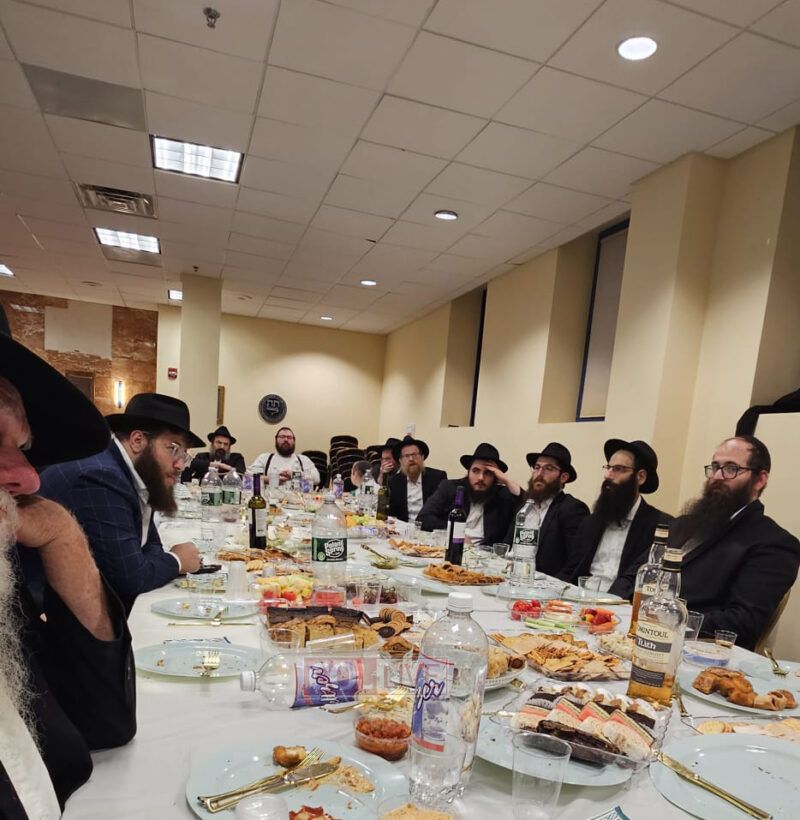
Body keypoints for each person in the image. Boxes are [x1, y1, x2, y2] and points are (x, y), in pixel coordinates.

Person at [0, 305, 136, 818]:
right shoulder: (100, 476)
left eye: (22, 447)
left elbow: (102, 723)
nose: (29, 478)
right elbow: (135, 571)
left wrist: (59, 532)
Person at [39, 393, 203, 612]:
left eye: (184, 454)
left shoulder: (134, 473)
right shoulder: (102, 476)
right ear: (137, 441)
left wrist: (150, 562)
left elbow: (149, 543)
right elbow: (131, 579)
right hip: (42, 612)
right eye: (173, 448)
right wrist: (177, 561)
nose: (180, 465)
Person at [670, 436, 799, 650]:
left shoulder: (775, 543)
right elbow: (638, 572)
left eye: (731, 469)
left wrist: (668, 618)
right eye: (714, 467)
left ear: (760, 480)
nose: (717, 476)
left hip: (698, 650)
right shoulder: (684, 523)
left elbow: (742, 622)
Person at [559, 439, 670, 598]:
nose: (608, 475)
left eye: (618, 469)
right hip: (579, 599)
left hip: (622, 605)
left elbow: (642, 582)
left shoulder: (659, 526)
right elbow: (571, 570)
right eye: (608, 468)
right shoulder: (591, 522)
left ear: (640, 477)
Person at [503, 443, 589, 576]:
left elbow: (575, 564)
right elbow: (507, 545)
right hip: (511, 575)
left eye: (548, 468)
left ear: (563, 477)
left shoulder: (572, 509)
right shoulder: (524, 507)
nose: (539, 474)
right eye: (537, 467)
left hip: (544, 583)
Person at [418, 443, 520, 546]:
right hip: (450, 546)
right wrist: (456, 532)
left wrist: (506, 480)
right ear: (468, 472)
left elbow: (525, 506)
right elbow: (423, 518)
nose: (480, 478)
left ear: (496, 477)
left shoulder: (504, 496)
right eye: (476, 471)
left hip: (484, 553)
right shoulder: (450, 487)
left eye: (488, 473)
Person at [387, 435, 447, 523]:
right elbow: (392, 513)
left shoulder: (437, 477)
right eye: (407, 456)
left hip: (429, 528)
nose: (411, 459)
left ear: (422, 457)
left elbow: (444, 510)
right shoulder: (394, 481)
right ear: (400, 461)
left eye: (414, 455)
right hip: (403, 528)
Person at [248, 427, 320, 487]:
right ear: (276, 439)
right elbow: (249, 477)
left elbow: (317, 479)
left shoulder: (304, 460)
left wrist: (294, 475)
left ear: (294, 440)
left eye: (289, 437)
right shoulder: (264, 458)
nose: (285, 440)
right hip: (271, 498)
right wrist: (272, 479)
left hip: (297, 499)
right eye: (282, 437)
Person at [182, 425, 246, 481]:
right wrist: (216, 465)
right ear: (212, 443)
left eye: (226, 444)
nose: (222, 446)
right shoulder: (202, 456)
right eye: (219, 442)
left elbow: (240, 475)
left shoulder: (236, 458)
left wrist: (224, 467)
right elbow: (192, 465)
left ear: (229, 447)